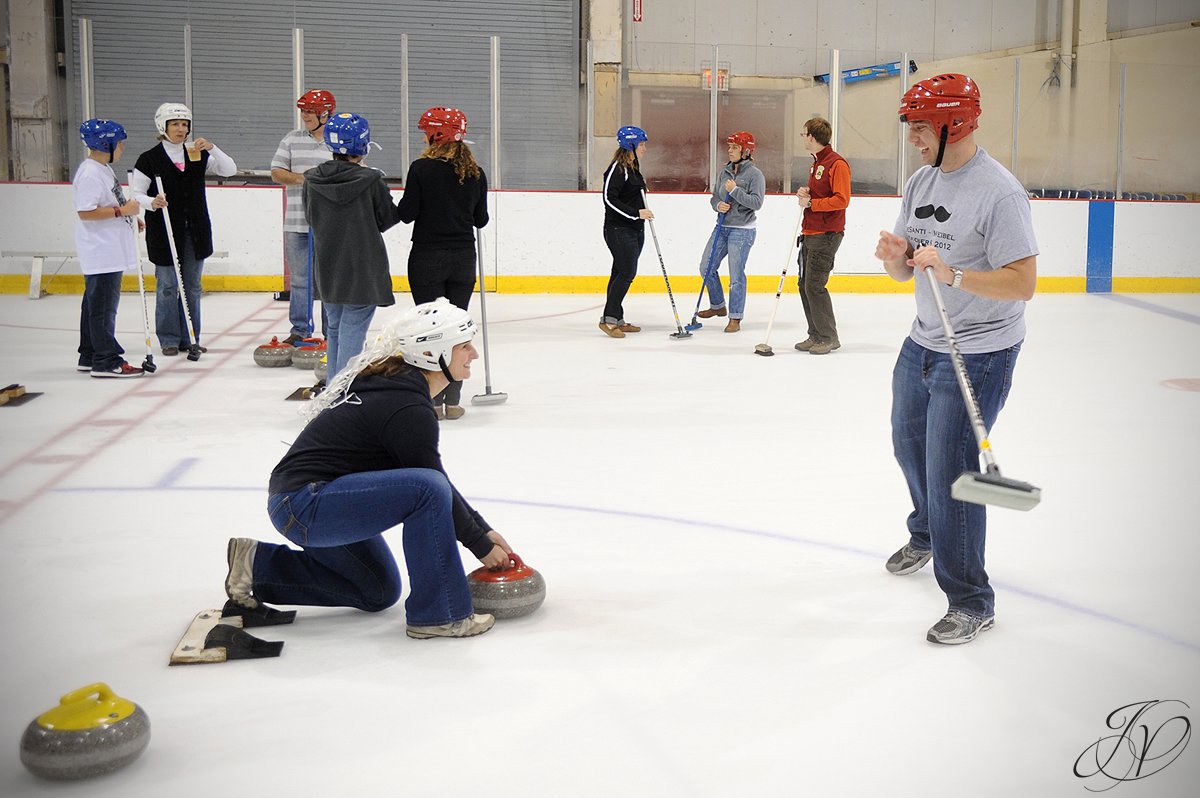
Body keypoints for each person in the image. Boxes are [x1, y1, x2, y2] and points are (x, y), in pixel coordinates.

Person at [222, 299, 509, 639]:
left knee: (377, 590)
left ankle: (257, 566)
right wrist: (480, 542)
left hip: (307, 501)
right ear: (434, 353)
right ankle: (439, 615)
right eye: (464, 346)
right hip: (306, 504)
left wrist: (483, 531)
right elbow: (434, 486)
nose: (473, 354)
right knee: (427, 487)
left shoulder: (400, 386)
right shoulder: (405, 407)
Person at [874, 73, 1038, 645]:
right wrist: (897, 258)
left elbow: (1023, 283)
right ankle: (928, 532)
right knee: (906, 445)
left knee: (954, 476)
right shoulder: (921, 181)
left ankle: (971, 599)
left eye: (920, 127)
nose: (913, 138)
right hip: (923, 339)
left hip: (979, 352)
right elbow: (904, 272)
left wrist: (956, 273)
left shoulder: (999, 193)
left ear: (953, 124)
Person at [395, 106, 488, 420]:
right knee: (458, 329)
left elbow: (407, 213)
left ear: (436, 134)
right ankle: (454, 400)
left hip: (427, 258)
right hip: (462, 258)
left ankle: (432, 400)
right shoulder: (475, 172)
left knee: (430, 330)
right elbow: (481, 219)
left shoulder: (422, 168)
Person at [132, 102, 237, 357]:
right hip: (164, 230)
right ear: (163, 126)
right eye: (176, 124)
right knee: (167, 285)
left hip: (195, 230)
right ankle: (168, 338)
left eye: (185, 124)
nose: (182, 129)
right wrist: (152, 202)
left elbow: (229, 169)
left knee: (191, 286)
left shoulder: (196, 153)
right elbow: (136, 194)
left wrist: (213, 147)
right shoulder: (149, 159)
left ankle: (190, 336)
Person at [304, 112, 401, 379]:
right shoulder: (371, 180)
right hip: (363, 267)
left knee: (334, 327)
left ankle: (334, 387)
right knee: (352, 330)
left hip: (328, 265)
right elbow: (387, 219)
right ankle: (342, 389)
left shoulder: (312, 179)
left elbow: (311, 217)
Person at [72, 119, 144, 378]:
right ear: (106, 144)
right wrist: (122, 211)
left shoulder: (102, 169)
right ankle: (106, 360)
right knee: (103, 307)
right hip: (102, 250)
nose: (123, 148)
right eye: (120, 143)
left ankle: (89, 354)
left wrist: (129, 216)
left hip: (109, 248)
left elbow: (113, 199)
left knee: (93, 304)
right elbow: (86, 212)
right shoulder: (90, 173)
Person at [271, 89, 336, 345]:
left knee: (329, 280)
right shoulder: (292, 139)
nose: (305, 116)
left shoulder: (338, 140)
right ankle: (300, 329)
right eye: (304, 111)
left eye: (310, 111)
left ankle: (332, 332)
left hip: (330, 225)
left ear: (325, 113)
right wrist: (304, 179)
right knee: (300, 280)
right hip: (297, 223)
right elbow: (276, 172)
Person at [695, 131, 764, 333]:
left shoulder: (755, 175)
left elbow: (757, 203)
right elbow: (714, 197)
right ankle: (718, 306)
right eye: (730, 147)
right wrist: (718, 206)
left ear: (746, 151)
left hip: (742, 231)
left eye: (735, 147)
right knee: (706, 267)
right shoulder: (724, 172)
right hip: (722, 227)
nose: (730, 150)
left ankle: (735, 317)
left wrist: (735, 191)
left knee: (736, 276)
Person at [794, 117, 850, 355]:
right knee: (804, 285)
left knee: (815, 286)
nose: (803, 137)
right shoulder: (817, 163)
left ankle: (828, 336)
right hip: (810, 232)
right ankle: (815, 334)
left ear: (813, 137)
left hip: (826, 234)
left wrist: (812, 203)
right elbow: (818, 194)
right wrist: (806, 193)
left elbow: (842, 199)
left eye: (804, 133)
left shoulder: (837, 164)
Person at [598, 125, 653, 339]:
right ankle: (608, 319)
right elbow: (609, 199)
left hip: (634, 229)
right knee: (627, 272)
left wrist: (640, 216)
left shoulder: (633, 167)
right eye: (642, 144)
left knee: (620, 272)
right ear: (630, 145)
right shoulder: (617, 169)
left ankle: (617, 318)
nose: (645, 148)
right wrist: (636, 213)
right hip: (618, 229)